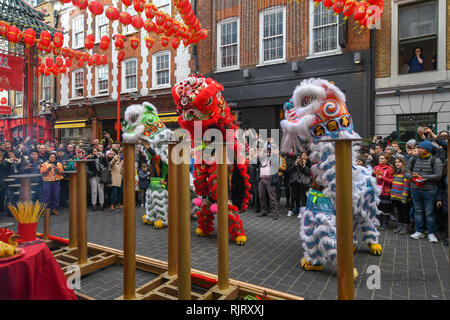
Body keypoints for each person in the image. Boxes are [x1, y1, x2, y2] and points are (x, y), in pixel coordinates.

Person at [405, 140, 443, 242]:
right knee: (418, 211)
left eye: (421, 148)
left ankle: (431, 233)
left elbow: (438, 175)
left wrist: (422, 177)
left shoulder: (435, 160)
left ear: (427, 150)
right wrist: (413, 178)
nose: (419, 150)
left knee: (429, 212)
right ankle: (419, 231)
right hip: (415, 189)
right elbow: (406, 172)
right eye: (419, 148)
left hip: (430, 190)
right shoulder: (412, 159)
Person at [257, 148, 279, 220]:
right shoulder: (261, 160)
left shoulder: (272, 159)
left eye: (266, 152)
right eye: (264, 152)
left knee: (272, 197)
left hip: (270, 180)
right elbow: (256, 162)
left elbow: (276, 162)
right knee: (261, 196)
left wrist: (271, 155)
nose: (265, 153)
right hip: (262, 179)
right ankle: (264, 211)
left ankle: (275, 213)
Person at [373, 153, 394, 230]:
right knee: (378, 206)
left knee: (385, 207)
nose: (380, 160)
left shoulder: (389, 169)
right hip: (376, 190)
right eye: (379, 158)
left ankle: (385, 224)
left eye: (382, 158)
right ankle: (379, 222)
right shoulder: (375, 167)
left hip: (385, 191)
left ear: (386, 160)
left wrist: (382, 178)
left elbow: (391, 181)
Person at [390, 157, 411, 234]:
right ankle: (400, 226)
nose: (397, 164)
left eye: (399, 162)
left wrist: (404, 197)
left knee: (405, 212)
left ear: (403, 163)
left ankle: (406, 227)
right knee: (398, 212)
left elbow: (406, 186)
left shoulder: (405, 173)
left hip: (403, 198)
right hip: (396, 197)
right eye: (396, 162)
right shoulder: (395, 172)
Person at [288, 152, 312, 217]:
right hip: (296, 181)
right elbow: (291, 170)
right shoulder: (298, 162)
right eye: (302, 155)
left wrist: (304, 166)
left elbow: (308, 173)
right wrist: (296, 163)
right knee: (293, 196)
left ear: (307, 156)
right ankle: (291, 210)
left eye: (304, 155)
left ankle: (302, 212)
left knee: (302, 197)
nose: (303, 157)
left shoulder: (309, 163)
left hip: (303, 182)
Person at [86, 147, 108, 211]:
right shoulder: (90, 158)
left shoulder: (101, 158)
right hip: (92, 176)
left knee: (101, 191)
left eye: (96, 151)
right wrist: (88, 157)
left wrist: (103, 157)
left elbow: (106, 165)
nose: (95, 152)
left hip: (100, 176)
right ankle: (94, 205)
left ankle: (102, 204)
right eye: (94, 151)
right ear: (92, 152)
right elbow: (87, 164)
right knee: (94, 191)